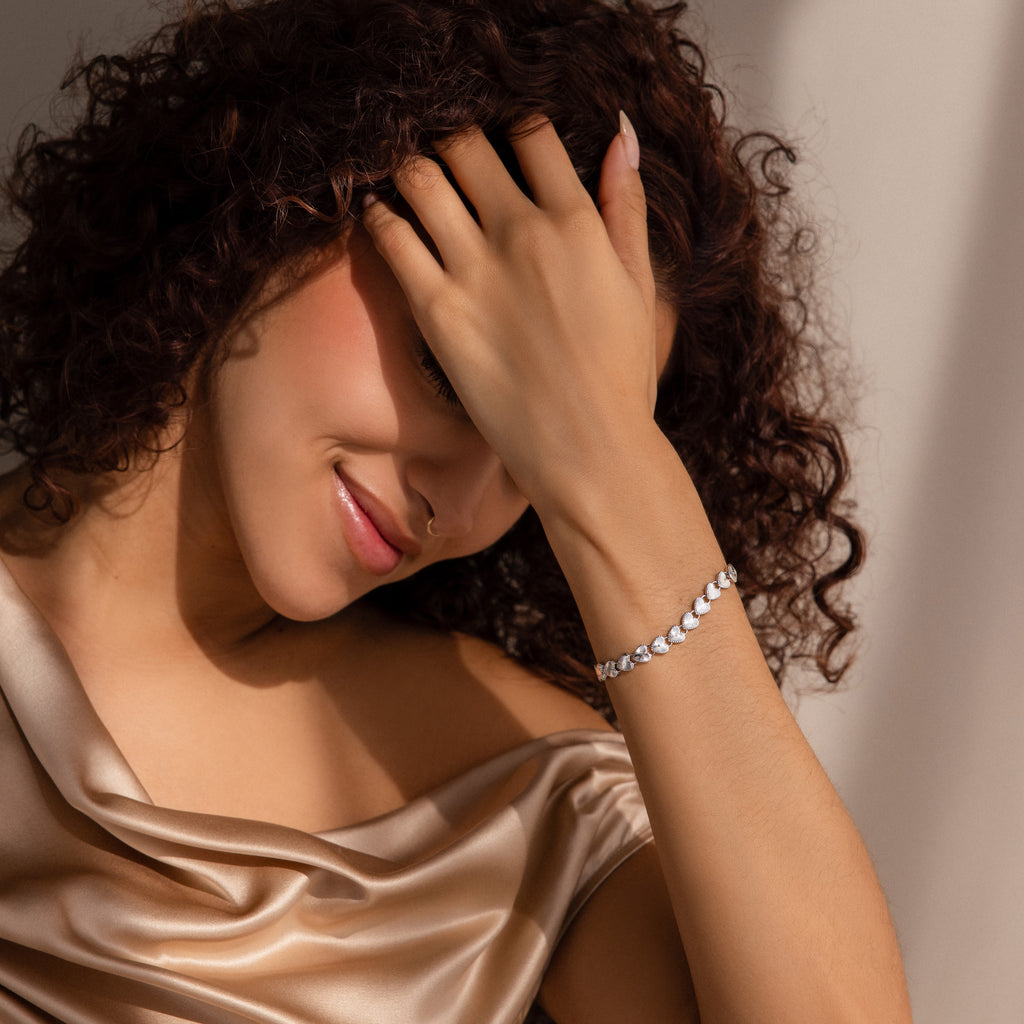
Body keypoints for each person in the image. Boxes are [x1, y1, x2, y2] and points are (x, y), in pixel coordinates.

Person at [0, 0, 913, 1020]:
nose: (464, 500)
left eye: (532, 452)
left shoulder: (529, 802)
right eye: (450, 367)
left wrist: (612, 474)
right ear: (289, 196)